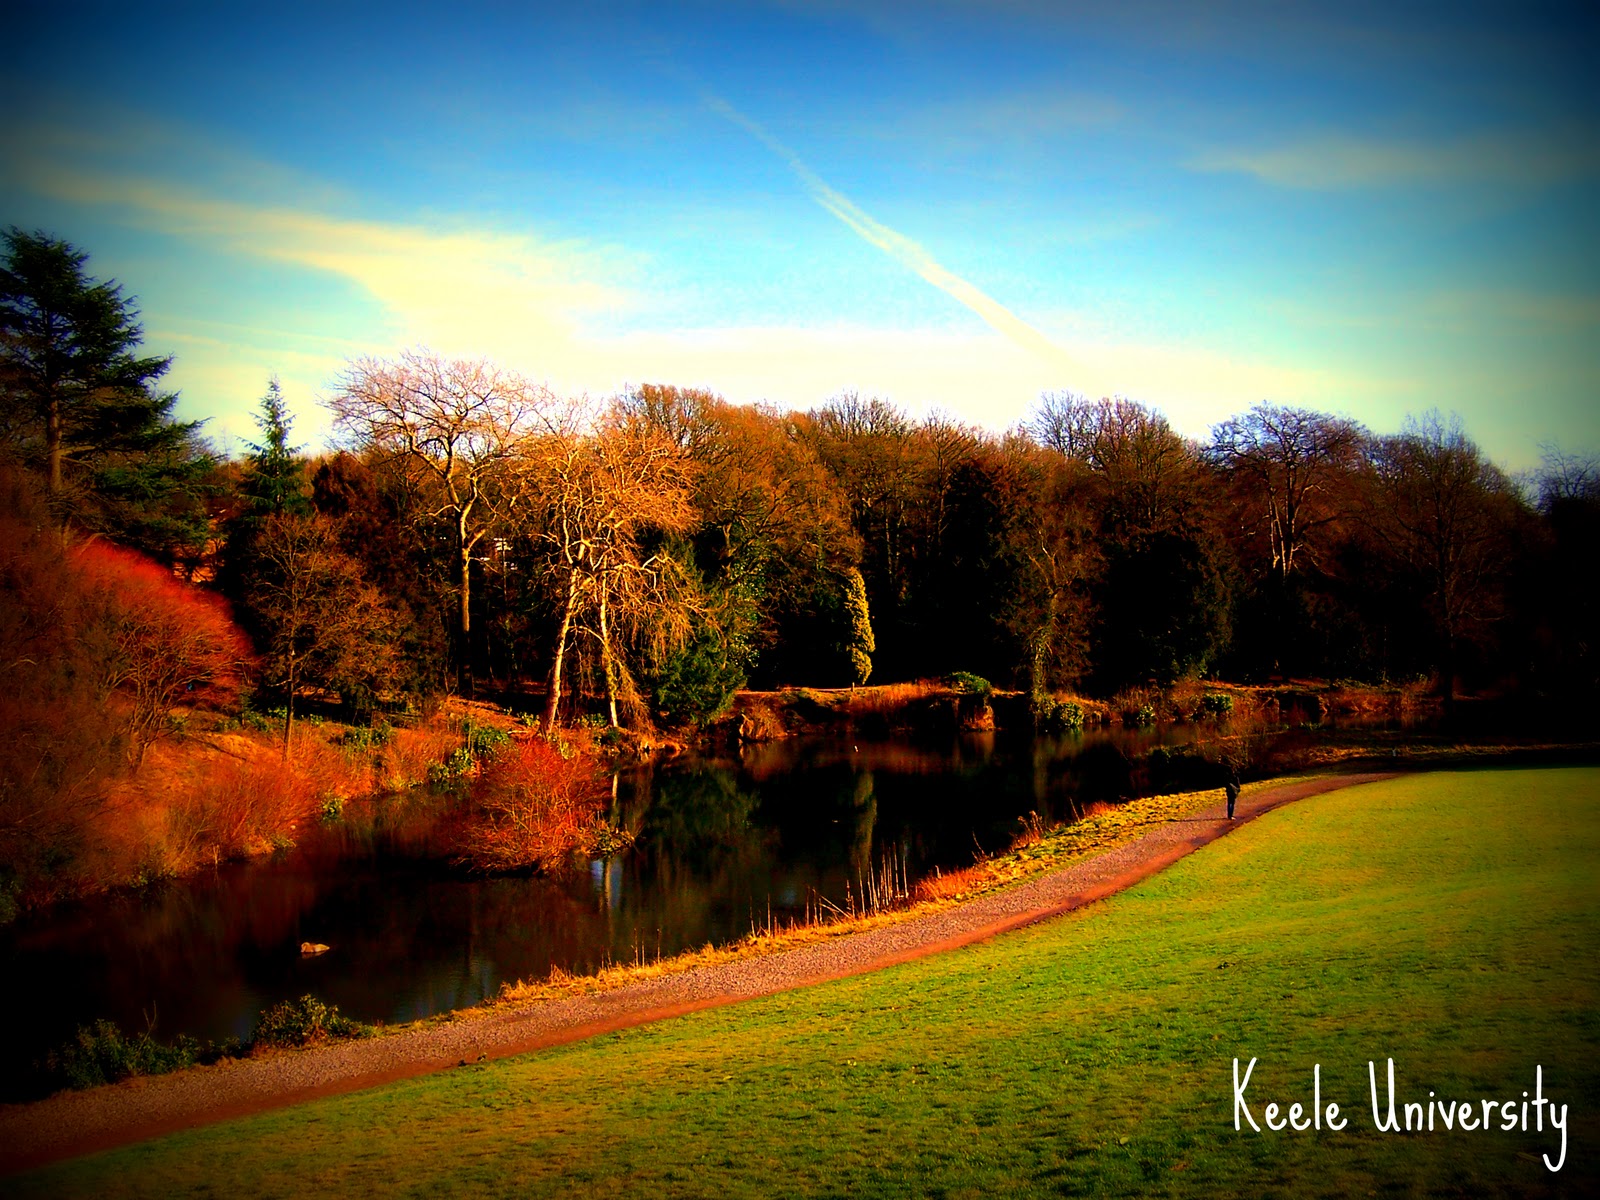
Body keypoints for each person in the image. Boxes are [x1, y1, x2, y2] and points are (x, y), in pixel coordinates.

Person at [1223, 756, 1241, 820]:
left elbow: (1225, 783)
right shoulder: (1235, 776)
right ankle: (1231, 815)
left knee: (1229, 803)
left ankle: (1229, 815)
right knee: (1232, 803)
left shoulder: (1227, 776)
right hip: (1234, 791)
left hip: (1229, 790)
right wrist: (1238, 789)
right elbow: (1238, 784)